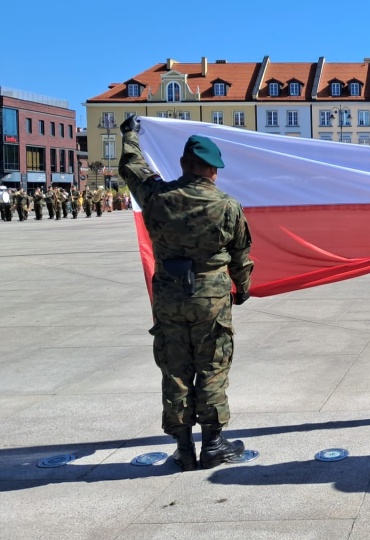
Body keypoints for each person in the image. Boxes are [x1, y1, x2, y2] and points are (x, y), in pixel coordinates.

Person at [118, 115, 254, 471]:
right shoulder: (227, 206)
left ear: (183, 164)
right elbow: (241, 256)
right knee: (212, 366)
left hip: (168, 296)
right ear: (213, 170)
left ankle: (183, 447)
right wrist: (243, 289)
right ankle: (213, 444)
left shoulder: (157, 196)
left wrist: (130, 135)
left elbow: (131, 166)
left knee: (175, 369)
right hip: (211, 297)